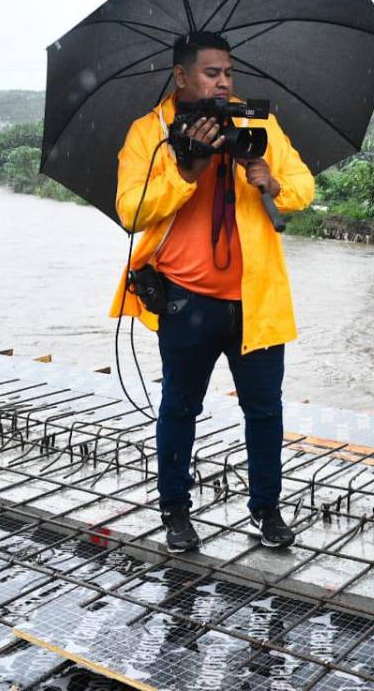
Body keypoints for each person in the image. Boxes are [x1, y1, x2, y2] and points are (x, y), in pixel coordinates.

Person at [108, 31, 314, 553]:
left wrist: (270, 180)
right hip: (185, 299)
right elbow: (130, 211)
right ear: (182, 76)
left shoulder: (257, 121)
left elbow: (304, 187)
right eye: (211, 73)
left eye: (228, 73)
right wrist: (187, 170)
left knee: (265, 411)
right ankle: (176, 511)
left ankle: (266, 510)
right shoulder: (146, 133)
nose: (223, 82)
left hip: (255, 300)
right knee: (179, 407)